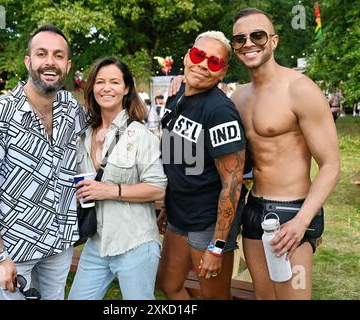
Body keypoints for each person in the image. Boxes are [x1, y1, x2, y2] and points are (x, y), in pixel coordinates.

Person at [0, 24, 87, 300]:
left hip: (59, 244)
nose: (50, 62)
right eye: (41, 53)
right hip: (12, 249)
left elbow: (107, 116)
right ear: (28, 61)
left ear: (67, 65)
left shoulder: (71, 108)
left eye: (58, 56)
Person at [229, 8, 340, 299]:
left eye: (257, 35)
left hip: (293, 211)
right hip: (254, 210)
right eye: (240, 39)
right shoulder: (238, 97)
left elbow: (330, 165)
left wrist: (302, 221)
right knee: (264, 297)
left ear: (274, 41)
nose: (248, 43)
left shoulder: (300, 89)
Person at [156, 31, 246, 300]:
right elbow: (176, 157)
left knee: (215, 297)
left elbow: (233, 183)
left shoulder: (220, 111)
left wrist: (217, 245)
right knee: (168, 285)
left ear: (222, 72)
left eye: (215, 63)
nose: (204, 65)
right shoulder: (177, 96)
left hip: (207, 222)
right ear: (187, 56)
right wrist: (166, 207)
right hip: (178, 214)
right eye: (198, 55)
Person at [68, 57, 167, 300]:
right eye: (100, 81)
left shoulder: (140, 135)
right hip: (96, 244)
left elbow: (158, 189)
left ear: (126, 89)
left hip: (135, 245)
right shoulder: (84, 135)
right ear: (92, 88)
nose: (106, 87)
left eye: (114, 81)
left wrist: (108, 191)